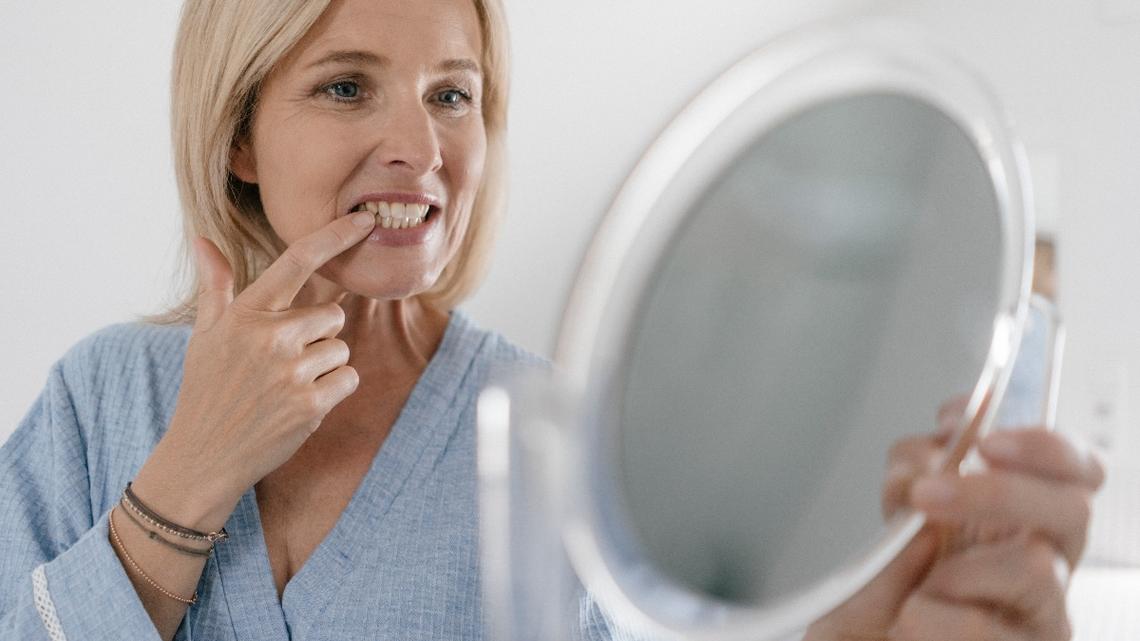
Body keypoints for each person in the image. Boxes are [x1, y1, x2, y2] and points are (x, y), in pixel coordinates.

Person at [0, 0, 1103, 640]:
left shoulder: (565, 439)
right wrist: (185, 480)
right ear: (238, 138)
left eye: (452, 93)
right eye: (347, 87)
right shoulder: (104, 400)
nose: (421, 149)